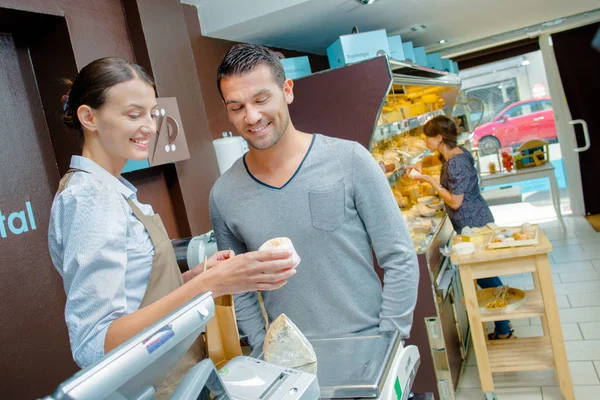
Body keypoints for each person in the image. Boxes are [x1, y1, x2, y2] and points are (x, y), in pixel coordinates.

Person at [48, 57, 297, 397]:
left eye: (152, 113)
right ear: (89, 117)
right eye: (133, 114)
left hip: (184, 378)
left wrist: (190, 279)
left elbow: (134, 297)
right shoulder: (90, 198)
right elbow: (97, 342)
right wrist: (210, 284)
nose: (149, 126)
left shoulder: (114, 191)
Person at [209, 44, 419, 350]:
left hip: (370, 346)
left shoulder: (350, 160)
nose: (251, 117)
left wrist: (390, 339)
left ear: (287, 90)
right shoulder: (223, 195)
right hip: (291, 362)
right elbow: (237, 286)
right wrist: (262, 345)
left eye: (261, 99)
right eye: (236, 107)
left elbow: (399, 256)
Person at [408, 115, 514, 340]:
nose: (425, 143)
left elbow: (455, 201)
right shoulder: (456, 153)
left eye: (427, 138)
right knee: (484, 274)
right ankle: (503, 323)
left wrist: (428, 180)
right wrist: (418, 164)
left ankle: (504, 327)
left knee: (485, 275)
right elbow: (435, 159)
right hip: (475, 219)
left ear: (438, 138)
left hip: (472, 224)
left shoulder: (455, 163)